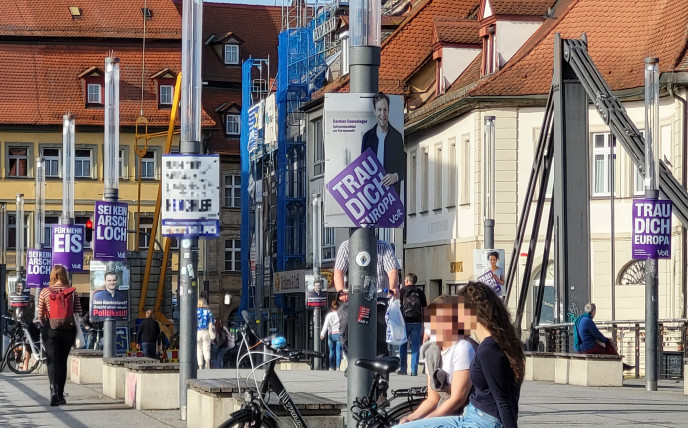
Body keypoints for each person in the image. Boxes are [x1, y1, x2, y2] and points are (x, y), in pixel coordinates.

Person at [398, 282, 525, 428]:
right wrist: (415, 418)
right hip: (473, 416)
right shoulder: (491, 345)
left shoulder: (488, 349)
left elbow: (503, 401)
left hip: (483, 421)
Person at [398, 295, 477, 424]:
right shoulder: (432, 351)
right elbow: (432, 399)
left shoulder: (463, 348)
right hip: (445, 413)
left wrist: (425, 422)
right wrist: (411, 418)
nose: (429, 326)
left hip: (464, 416)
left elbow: (457, 399)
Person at [333, 238, 400, 358]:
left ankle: (381, 359)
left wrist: (393, 288)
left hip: (379, 298)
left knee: (381, 326)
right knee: (346, 319)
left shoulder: (384, 247)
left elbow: (392, 271)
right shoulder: (346, 246)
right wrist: (341, 291)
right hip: (355, 299)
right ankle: (351, 356)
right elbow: (339, 272)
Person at [37, 265, 83, 406]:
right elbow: (78, 311)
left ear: (52, 276)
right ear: (64, 276)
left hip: (51, 330)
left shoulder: (45, 292)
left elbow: (40, 315)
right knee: (62, 361)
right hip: (68, 330)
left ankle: (53, 391)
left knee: (52, 361)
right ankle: (61, 395)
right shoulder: (72, 292)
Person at [361, 92, 406, 196]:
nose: (383, 114)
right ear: (374, 111)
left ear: (389, 111)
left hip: (391, 197)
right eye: (379, 110)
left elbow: (403, 168)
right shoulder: (367, 138)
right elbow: (363, 168)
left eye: (385, 110)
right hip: (372, 195)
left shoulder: (397, 137)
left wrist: (395, 176)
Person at [398, 273, 427, 376]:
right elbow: (424, 308)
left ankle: (403, 369)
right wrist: (424, 323)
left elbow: (398, 305)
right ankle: (414, 370)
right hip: (417, 322)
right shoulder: (420, 292)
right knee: (415, 346)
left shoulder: (402, 291)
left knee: (403, 345)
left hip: (404, 322)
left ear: (406, 280)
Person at [320, 299, 342, 371]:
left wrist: (322, 334)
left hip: (331, 335)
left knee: (331, 351)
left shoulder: (329, 315)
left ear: (332, 308)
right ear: (339, 307)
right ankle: (338, 367)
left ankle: (331, 367)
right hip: (339, 334)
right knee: (338, 351)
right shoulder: (341, 314)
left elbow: (326, 325)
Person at [196, 298, 215, 369]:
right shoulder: (208, 312)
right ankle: (207, 362)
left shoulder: (196, 312)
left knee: (199, 350)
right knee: (206, 348)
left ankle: (200, 366)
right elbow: (212, 321)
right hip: (206, 331)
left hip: (198, 332)